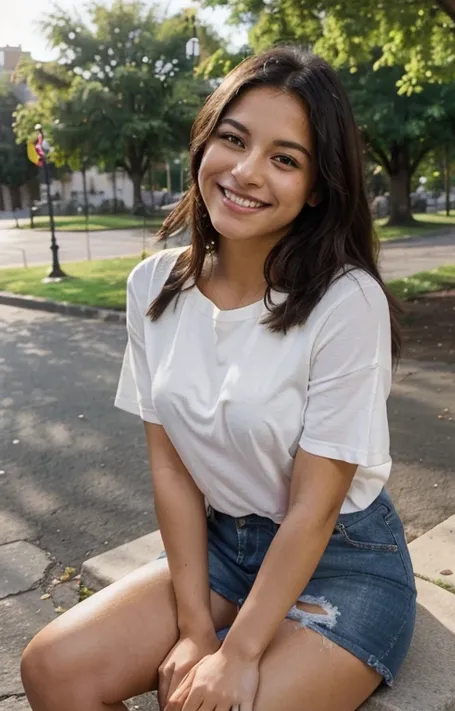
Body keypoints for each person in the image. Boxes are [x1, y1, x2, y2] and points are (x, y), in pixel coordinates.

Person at [20, 45, 417, 711]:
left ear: (317, 186)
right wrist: (195, 630)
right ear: (205, 142)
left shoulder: (346, 301)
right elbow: (172, 472)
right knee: (53, 668)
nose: (245, 170)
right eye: (232, 139)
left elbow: (315, 507)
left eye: (284, 158)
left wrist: (237, 653)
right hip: (225, 547)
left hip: (344, 559)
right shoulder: (153, 285)